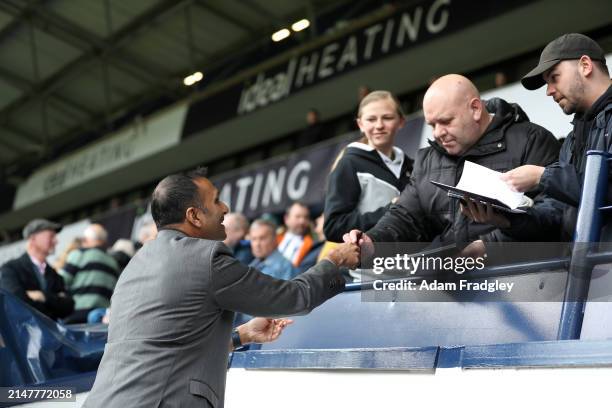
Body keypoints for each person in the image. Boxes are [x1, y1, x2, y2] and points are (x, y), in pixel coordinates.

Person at [83, 168, 359, 408]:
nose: (225, 207)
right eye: (215, 200)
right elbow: (295, 297)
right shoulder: (208, 257)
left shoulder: (135, 265)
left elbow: (166, 347)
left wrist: (243, 335)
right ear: (194, 216)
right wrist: (335, 260)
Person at [343, 74, 561, 253]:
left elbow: (555, 217)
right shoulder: (428, 159)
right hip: (452, 290)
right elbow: (406, 217)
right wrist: (372, 241)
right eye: (432, 124)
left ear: (475, 109)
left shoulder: (532, 141)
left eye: (446, 121)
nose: (438, 133)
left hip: (524, 286)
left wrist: (488, 248)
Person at [477, 33, 612, 240]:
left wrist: (542, 176)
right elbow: (557, 216)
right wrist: (506, 219)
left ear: (585, 65)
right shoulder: (572, 140)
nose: (549, 91)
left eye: (554, 77)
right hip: (582, 268)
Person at [324, 90, 413, 243]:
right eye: (371, 119)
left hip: (416, 262)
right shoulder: (350, 163)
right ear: (360, 124)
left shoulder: (413, 166)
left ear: (401, 121)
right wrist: (389, 211)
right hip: (372, 265)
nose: (379, 125)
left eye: (387, 118)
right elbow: (333, 227)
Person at [0, 219, 74, 320]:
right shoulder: (11, 269)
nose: (56, 241)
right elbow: (15, 302)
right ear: (33, 238)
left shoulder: (54, 275)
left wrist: (43, 296)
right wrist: (55, 300)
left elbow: (69, 306)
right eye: (51, 236)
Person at [60, 224, 120, 323]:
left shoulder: (79, 254)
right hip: (101, 317)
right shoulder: (113, 263)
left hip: (75, 316)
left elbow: (61, 282)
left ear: (87, 240)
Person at [277, 202, 315, 268]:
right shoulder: (274, 239)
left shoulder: (312, 245)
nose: (302, 221)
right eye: (298, 216)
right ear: (286, 219)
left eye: (306, 217)